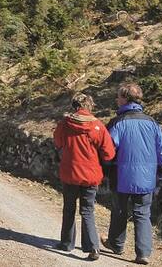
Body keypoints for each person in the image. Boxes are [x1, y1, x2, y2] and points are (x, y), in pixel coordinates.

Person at [105, 82, 162, 265]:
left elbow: (108, 150)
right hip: (146, 177)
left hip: (121, 175)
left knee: (119, 210)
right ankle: (143, 253)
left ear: (125, 99)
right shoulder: (152, 123)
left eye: (118, 96)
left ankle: (116, 245)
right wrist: (160, 171)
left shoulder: (117, 123)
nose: (116, 99)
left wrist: (105, 167)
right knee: (142, 213)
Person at [53, 93, 115, 259]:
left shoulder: (65, 123)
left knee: (69, 208)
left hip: (70, 173)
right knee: (87, 210)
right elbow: (109, 153)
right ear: (90, 105)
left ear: (74, 106)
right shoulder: (98, 126)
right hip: (91, 174)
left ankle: (66, 243)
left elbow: (57, 142)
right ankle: (93, 247)